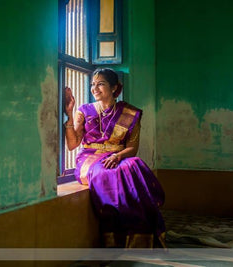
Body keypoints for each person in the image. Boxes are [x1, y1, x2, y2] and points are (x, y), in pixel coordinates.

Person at [64, 68, 166, 248]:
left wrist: (118, 156)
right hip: (90, 159)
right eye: (92, 85)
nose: (95, 88)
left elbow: (132, 149)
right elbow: (72, 145)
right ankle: (117, 234)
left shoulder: (130, 113)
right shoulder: (84, 111)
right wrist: (70, 113)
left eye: (100, 84)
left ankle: (142, 230)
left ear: (114, 88)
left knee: (134, 165)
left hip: (118, 156)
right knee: (109, 172)